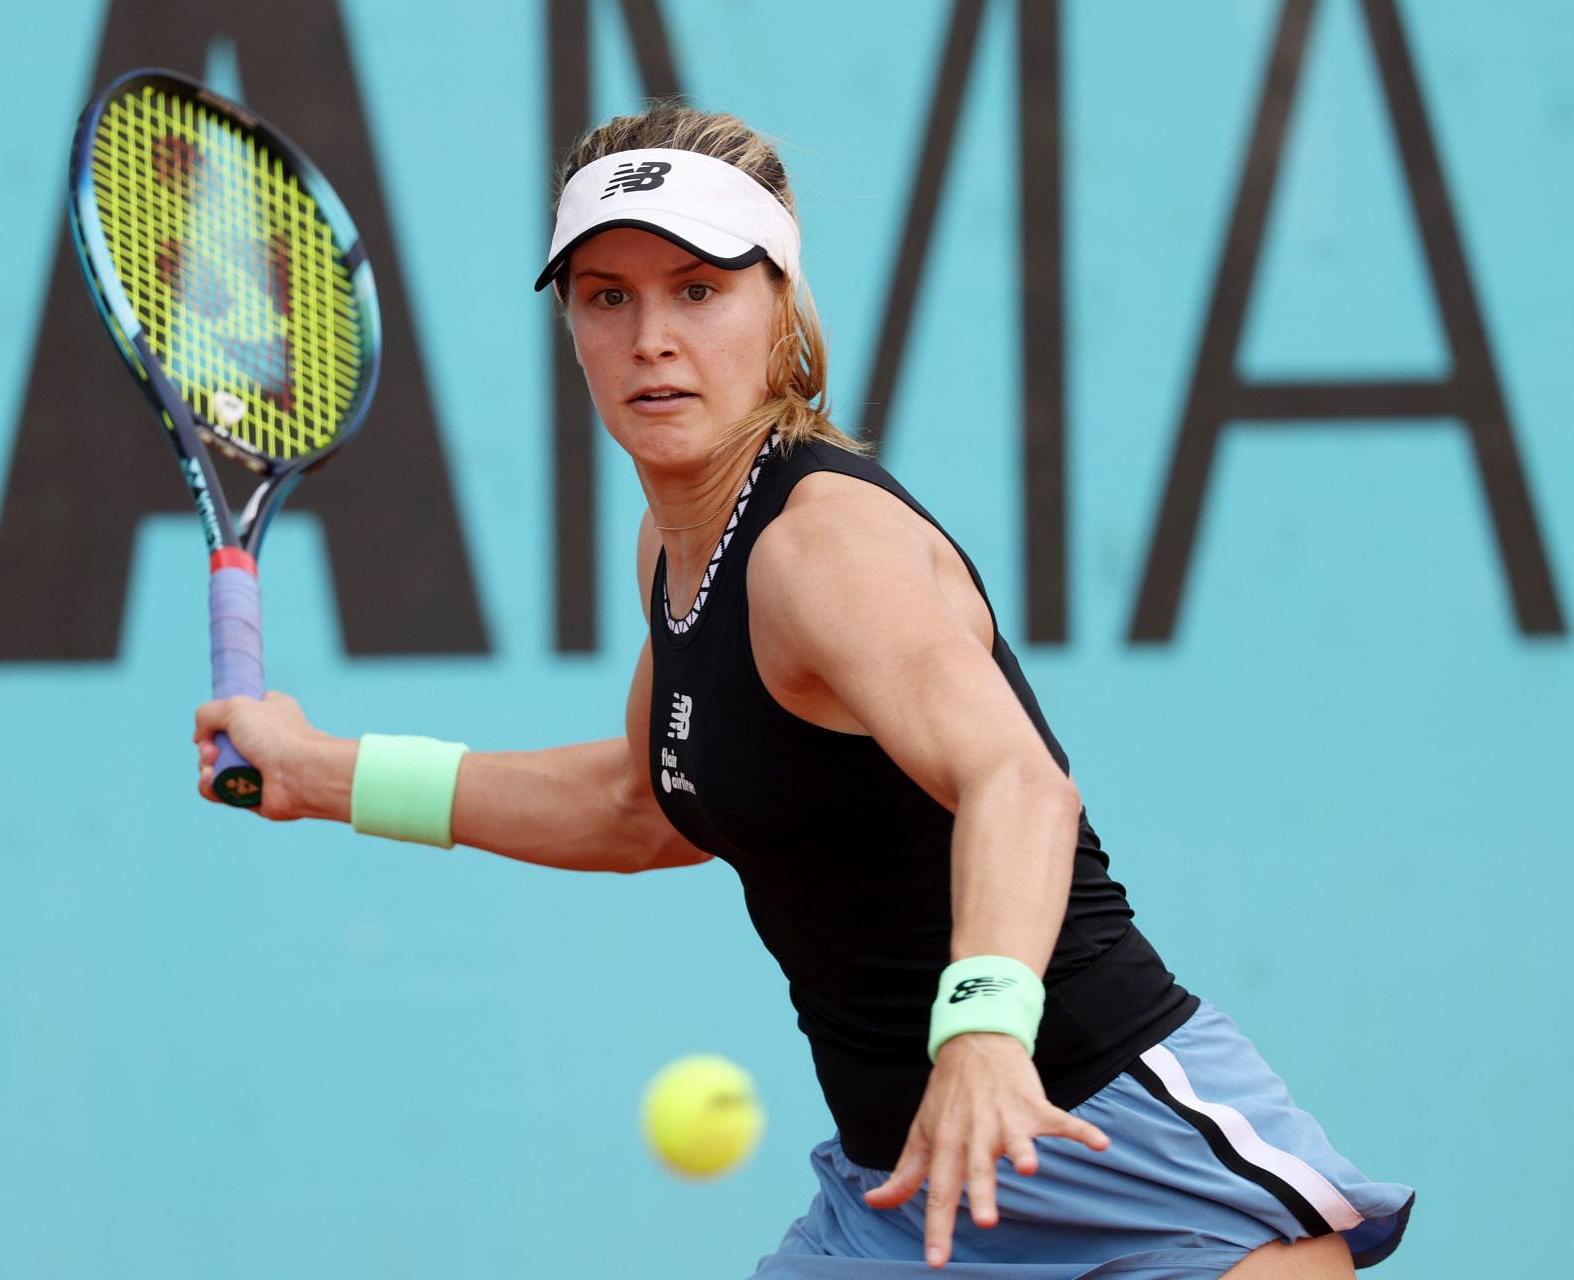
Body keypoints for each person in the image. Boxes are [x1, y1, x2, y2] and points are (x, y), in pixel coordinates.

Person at [194, 103, 1414, 1278]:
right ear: (570, 324)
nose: (651, 337)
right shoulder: (680, 540)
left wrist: (985, 1026)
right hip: (908, 1187)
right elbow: (646, 802)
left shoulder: (819, 543)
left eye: (700, 289)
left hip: (1116, 1148)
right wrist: (323, 773)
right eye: (606, 296)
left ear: (782, 306)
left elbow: (1017, 780)